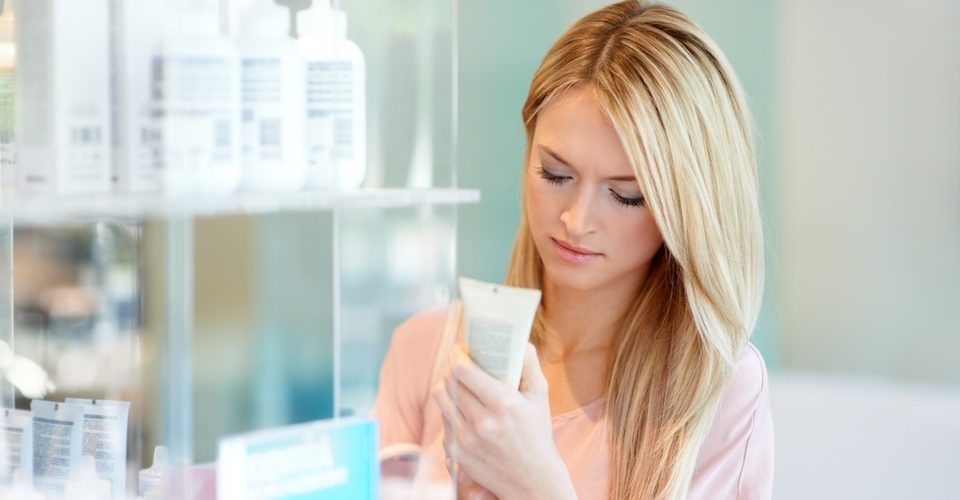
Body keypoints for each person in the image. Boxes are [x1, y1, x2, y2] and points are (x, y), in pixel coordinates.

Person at [373, 1, 773, 499]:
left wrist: (537, 485)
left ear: (684, 208)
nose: (576, 221)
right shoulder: (426, 353)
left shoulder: (717, 393)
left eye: (626, 195)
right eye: (555, 175)